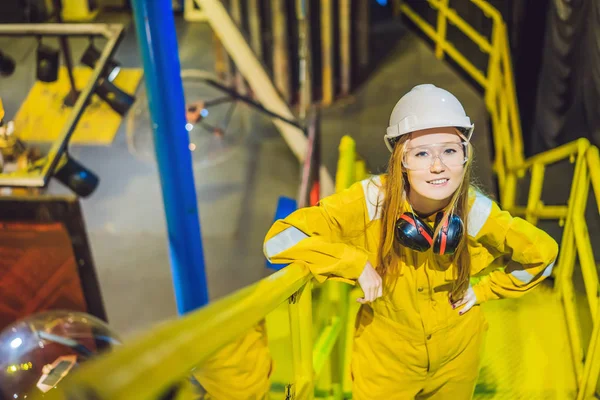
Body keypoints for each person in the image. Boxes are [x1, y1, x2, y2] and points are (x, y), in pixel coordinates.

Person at [263, 84, 558, 399]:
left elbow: (543, 255)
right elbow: (279, 241)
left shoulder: (472, 210)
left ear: (464, 156)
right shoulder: (370, 202)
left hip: (458, 357)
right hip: (385, 362)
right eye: (421, 153)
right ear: (401, 160)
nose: (437, 166)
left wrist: (483, 289)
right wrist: (354, 263)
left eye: (449, 150)